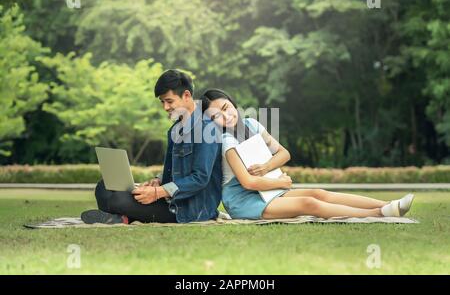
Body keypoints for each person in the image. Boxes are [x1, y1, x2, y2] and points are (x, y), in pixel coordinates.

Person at [200, 89, 415, 220]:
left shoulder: (252, 125)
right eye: (216, 116)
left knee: (318, 192)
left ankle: (387, 204)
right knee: (309, 204)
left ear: (233, 103)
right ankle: (380, 214)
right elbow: (247, 183)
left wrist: (266, 168)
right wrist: (280, 184)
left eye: (227, 108)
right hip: (243, 199)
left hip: (266, 187)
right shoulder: (227, 141)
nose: (226, 117)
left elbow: (284, 153)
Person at [81, 70, 223, 224]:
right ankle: (121, 217)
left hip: (190, 209)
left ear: (187, 95)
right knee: (103, 187)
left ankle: (121, 216)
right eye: (162, 102)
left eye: (169, 101)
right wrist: (157, 181)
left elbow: (200, 178)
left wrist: (157, 192)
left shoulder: (207, 129)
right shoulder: (175, 129)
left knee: (118, 199)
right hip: (168, 199)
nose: (165, 107)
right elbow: (170, 170)